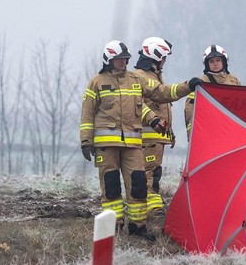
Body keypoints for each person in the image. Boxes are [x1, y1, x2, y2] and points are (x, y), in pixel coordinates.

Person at [80, 41, 194, 241]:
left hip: (132, 145)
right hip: (107, 148)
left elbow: (160, 93)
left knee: (139, 185)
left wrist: (188, 86)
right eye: (119, 59)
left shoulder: (136, 79)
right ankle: (112, 227)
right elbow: (87, 114)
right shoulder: (97, 82)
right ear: (109, 60)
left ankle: (137, 228)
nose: (123, 62)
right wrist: (86, 141)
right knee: (111, 187)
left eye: (125, 59)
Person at [131, 37, 200, 220]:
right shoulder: (140, 77)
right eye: (163, 58)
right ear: (155, 57)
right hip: (148, 137)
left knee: (154, 173)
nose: (165, 62)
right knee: (150, 175)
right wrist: (187, 86)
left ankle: (151, 209)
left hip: (156, 138)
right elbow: (154, 98)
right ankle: (154, 212)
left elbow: (163, 95)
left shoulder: (152, 77)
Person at [184, 44, 241, 139]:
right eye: (211, 61)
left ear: (224, 62)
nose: (215, 64)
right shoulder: (200, 83)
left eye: (218, 60)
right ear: (207, 64)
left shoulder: (234, 81)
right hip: (210, 130)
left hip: (231, 128)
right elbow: (190, 109)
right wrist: (192, 134)